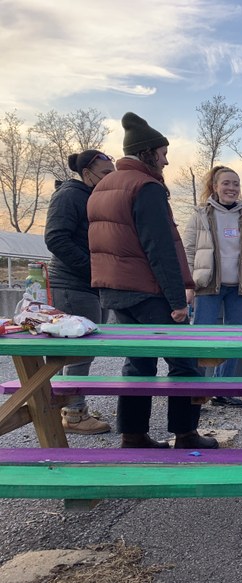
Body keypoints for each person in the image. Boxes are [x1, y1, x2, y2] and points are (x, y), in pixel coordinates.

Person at [87, 112, 217, 450]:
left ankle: (133, 435)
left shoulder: (103, 186)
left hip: (115, 292)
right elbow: (159, 249)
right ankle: (185, 434)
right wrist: (177, 301)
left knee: (138, 363)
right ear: (147, 152)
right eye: (162, 153)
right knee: (184, 362)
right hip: (149, 292)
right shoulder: (145, 187)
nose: (166, 159)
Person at [183, 166, 242, 408]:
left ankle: (224, 389)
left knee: (235, 338)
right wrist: (188, 285)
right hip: (207, 286)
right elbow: (189, 252)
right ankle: (196, 389)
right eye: (226, 183)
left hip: (240, 288)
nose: (231, 188)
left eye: (236, 184)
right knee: (203, 338)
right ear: (215, 186)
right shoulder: (200, 216)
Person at [44, 149, 115, 435]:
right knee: (78, 350)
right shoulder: (70, 196)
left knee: (78, 350)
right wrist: (91, 268)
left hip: (88, 285)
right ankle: (74, 414)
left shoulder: (90, 197)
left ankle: (70, 406)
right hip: (73, 285)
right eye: (105, 174)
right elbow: (55, 238)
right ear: (87, 174)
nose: (110, 180)